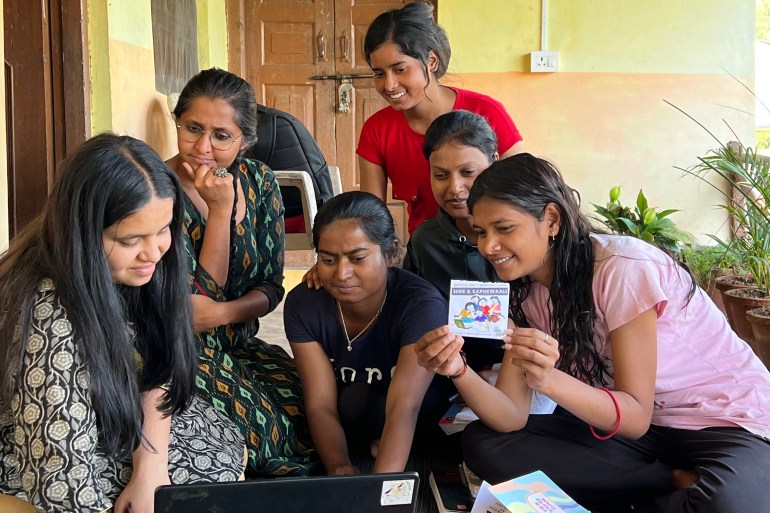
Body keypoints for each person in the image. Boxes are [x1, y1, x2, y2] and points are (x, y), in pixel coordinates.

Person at [415, 154, 770, 512]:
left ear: (551, 219)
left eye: (504, 229)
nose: (487, 246)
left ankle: (665, 494)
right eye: (480, 231)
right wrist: (458, 370)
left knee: (730, 501)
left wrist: (548, 379)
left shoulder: (622, 269)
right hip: (640, 441)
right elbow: (511, 416)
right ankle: (671, 483)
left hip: (724, 424)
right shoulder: (523, 291)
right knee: (484, 442)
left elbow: (633, 416)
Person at [0, 134, 246, 513]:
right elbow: (60, 467)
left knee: (208, 467)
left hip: (114, 414)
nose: (153, 252)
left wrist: (150, 467)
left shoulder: (149, 260)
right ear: (83, 233)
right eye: (131, 239)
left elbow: (159, 363)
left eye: (163, 229)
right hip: (40, 441)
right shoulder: (47, 313)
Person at [167, 67, 316, 476]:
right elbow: (195, 306)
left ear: (245, 141)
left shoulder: (259, 181)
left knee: (315, 408)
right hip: (177, 352)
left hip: (239, 343)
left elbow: (271, 284)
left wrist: (229, 314)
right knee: (263, 432)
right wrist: (219, 211)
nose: (202, 147)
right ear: (176, 121)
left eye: (221, 136)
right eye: (192, 128)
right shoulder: (156, 190)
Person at [284, 191, 454, 474]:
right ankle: (370, 446)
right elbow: (320, 403)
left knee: (379, 405)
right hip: (357, 407)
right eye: (328, 260)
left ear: (391, 254)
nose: (342, 273)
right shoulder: (305, 304)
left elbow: (405, 406)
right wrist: (339, 467)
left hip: (419, 408)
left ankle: (391, 451)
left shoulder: (421, 305)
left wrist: (379, 490)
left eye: (358, 258)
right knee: (353, 402)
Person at [358, 2, 523, 235]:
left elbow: (526, 195)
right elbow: (370, 219)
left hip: (493, 254)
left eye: (400, 69)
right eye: (379, 73)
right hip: (427, 259)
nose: (389, 84)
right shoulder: (377, 131)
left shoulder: (487, 112)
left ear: (431, 61)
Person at [403, 110, 503, 371]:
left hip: (517, 367)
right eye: (441, 175)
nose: (455, 188)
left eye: (468, 172)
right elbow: (412, 309)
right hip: (446, 368)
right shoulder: (425, 241)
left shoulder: (521, 233)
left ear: (495, 162)